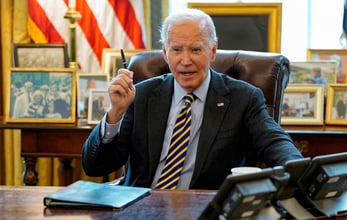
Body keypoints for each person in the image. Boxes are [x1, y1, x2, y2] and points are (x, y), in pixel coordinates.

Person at [82, 8, 303, 190]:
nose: (185, 60)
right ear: (165, 53)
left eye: (196, 49)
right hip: (141, 207)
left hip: (204, 209)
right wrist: (114, 115)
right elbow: (95, 167)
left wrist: (302, 172)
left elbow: (276, 143)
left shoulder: (243, 98)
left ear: (213, 51)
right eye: (176, 50)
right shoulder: (141, 96)